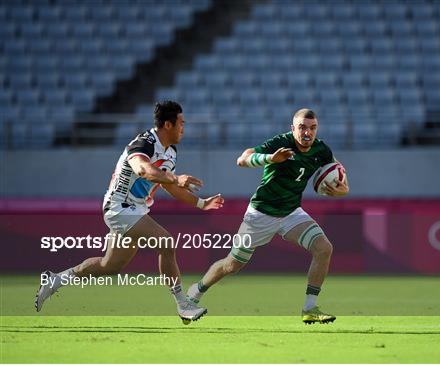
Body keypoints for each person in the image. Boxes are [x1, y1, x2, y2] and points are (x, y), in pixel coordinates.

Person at [35, 101, 224, 324]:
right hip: (119, 207)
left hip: (135, 209)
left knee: (109, 266)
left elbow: (169, 186)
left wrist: (201, 203)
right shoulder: (144, 143)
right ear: (167, 124)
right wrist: (176, 178)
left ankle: (56, 280)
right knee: (166, 243)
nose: (184, 128)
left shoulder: (171, 151)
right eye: (181, 123)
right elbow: (143, 170)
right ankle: (183, 304)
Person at [187, 108, 349, 324]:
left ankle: (309, 308)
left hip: (291, 213)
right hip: (260, 214)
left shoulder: (321, 150)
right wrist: (270, 158)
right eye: (302, 127)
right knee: (232, 265)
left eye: (312, 128)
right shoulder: (280, 143)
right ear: (293, 129)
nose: (307, 132)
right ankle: (195, 292)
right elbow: (242, 159)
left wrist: (342, 191)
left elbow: (341, 177)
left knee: (324, 248)